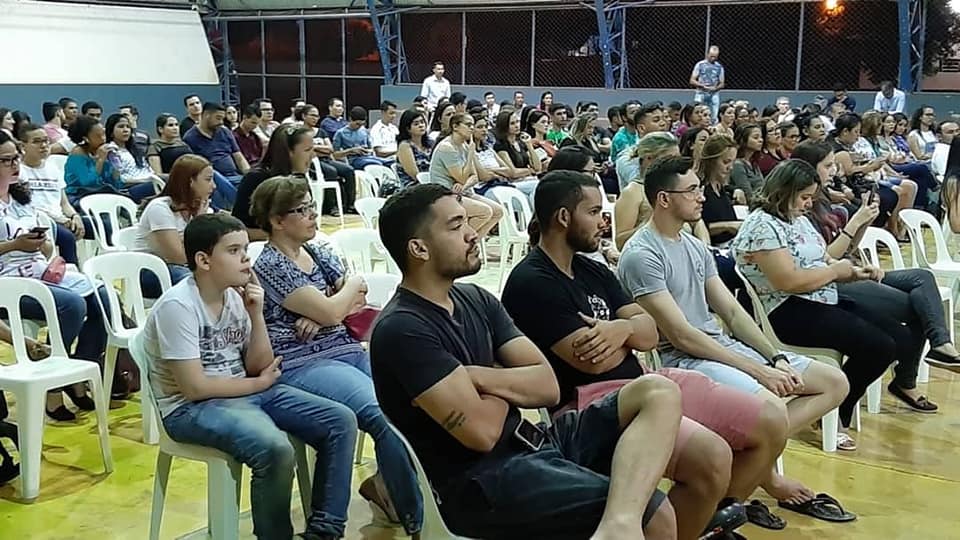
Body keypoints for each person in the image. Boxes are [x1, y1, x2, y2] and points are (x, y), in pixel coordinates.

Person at [503, 170, 802, 539]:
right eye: (594, 212)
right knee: (712, 458)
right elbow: (594, 361)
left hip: (647, 382)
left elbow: (650, 333)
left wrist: (621, 330)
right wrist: (631, 330)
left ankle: (704, 524)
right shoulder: (532, 282)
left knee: (772, 421)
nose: (604, 221)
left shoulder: (591, 269)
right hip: (591, 403)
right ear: (563, 218)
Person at [371, 183, 680, 539]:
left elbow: (547, 386)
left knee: (658, 392)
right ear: (419, 248)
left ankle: (618, 524)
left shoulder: (476, 298)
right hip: (484, 483)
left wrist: (478, 377)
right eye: (456, 226)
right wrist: (510, 377)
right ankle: (622, 523)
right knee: (656, 515)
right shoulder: (403, 329)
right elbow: (483, 434)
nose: (473, 234)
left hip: (533, 443)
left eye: (467, 222)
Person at [622, 155, 853, 516]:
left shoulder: (693, 246)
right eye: (692, 190)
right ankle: (733, 500)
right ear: (664, 199)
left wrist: (774, 356)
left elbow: (730, 311)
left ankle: (751, 468)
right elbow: (682, 335)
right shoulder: (642, 254)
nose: (701, 196)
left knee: (834, 383)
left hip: (719, 348)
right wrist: (758, 370)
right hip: (685, 361)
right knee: (771, 407)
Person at [132, 212, 356, 540]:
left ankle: (325, 530)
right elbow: (194, 388)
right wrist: (258, 383)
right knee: (276, 449)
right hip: (190, 408)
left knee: (340, 421)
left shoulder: (236, 297)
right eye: (234, 250)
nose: (246, 259)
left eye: (245, 250)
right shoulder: (177, 306)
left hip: (244, 390)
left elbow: (258, 364)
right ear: (204, 260)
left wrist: (256, 313)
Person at [248, 176, 424, 535]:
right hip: (302, 360)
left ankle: (389, 487)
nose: (313, 215)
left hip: (343, 346)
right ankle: (416, 516)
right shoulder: (269, 265)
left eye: (312, 206)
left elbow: (357, 295)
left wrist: (325, 310)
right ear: (277, 220)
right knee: (382, 413)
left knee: (413, 397)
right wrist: (332, 305)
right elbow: (339, 303)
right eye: (302, 210)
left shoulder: (317, 252)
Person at [730, 159, 935, 449]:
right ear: (784, 191)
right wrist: (835, 272)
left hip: (818, 296)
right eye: (804, 197)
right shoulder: (762, 225)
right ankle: (836, 408)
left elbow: (823, 258)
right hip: (782, 309)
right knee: (878, 345)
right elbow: (788, 281)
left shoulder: (796, 218)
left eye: (811, 197)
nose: (808, 203)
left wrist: (855, 272)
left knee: (899, 337)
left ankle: (837, 404)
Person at [793, 141, 960, 376]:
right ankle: (909, 378)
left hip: (850, 268)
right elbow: (826, 256)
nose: (834, 170)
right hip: (833, 279)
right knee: (921, 305)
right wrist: (854, 223)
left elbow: (849, 247)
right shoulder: (803, 206)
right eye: (828, 165)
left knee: (922, 278)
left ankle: (940, 346)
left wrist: (865, 221)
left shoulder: (825, 199)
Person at [0, 130, 109, 421]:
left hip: (38, 270)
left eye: (15, 158)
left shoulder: (22, 197)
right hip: (7, 281)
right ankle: (52, 386)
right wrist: (14, 245)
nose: (14, 165)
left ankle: (76, 373)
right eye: (6, 160)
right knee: (72, 304)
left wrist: (42, 243)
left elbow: (48, 245)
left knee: (104, 298)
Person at [133, 154, 215, 298]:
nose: (213, 186)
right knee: (194, 281)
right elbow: (178, 257)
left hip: (185, 266)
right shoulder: (160, 208)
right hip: (148, 270)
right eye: (208, 180)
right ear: (190, 182)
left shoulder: (201, 208)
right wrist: (198, 223)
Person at [17, 124, 96, 265]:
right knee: (67, 237)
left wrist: (75, 216)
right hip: (40, 221)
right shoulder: (19, 172)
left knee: (102, 225)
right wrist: (59, 219)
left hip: (62, 218)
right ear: (23, 146)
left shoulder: (52, 168)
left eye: (46, 140)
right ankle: (69, 270)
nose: (43, 145)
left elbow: (64, 203)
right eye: (37, 142)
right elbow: (26, 206)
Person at [232, 126, 316, 241]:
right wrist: (286, 236)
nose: (313, 155)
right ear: (288, 152)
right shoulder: (256, 179)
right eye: (307, 150)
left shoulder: (299, 177)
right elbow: (238, 229)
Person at [428, 113, 503, 240]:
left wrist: (464, 186)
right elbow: (462, 177)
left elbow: (474, 177)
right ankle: (458, 242)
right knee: (485, 211)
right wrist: (470, 155)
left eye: (473, 125)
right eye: (468, 125)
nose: (472, 128)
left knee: (498, 211)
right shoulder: (447, 147)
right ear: (455, 127)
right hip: (445, 195)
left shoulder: (465, 145)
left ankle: (470, 244)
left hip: (462, 192)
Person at [148, 113, 237, 211]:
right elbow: (158, 174)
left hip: (193, 176)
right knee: (210, 177)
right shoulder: (155, 147)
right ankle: (233, 203)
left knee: (210, 178)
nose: (175, 128)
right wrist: (180, 175)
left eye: (176, 125)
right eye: (170, 125)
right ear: (160, 129)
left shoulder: (183, 144)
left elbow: (195, 161)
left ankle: (217, 209)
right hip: (176, 180)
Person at [64, 116, 156, 207]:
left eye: (104, 134)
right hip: (80, 196)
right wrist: (100, 160)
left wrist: (115, 163)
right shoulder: (78, 152)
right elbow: (88, 183)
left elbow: (116, 184)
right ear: (86, 139)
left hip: (105, 194)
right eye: (99, 136)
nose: (104, 139)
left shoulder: (103, 151)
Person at [614, 132, 680, 249]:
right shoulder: (633, 192)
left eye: (677, 159)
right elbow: (620, 242)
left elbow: (697, 224)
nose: (675, 165)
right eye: (670, 159)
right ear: (649, 158)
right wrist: (652, 223)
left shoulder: (679, 188)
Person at [183, 102, 250, 184]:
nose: (221, 122)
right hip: (212, 180)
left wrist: (248, 174)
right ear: (206, 116)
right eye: (218, 118)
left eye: (223, 119)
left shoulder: (225, 131)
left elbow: (239, 157)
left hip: (235, 176)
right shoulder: (190, 138)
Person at [102, 113, 162, 194]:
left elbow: (148, 171)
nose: (125, 130)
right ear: (111, 132)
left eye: (128, 127)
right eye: (121, 127)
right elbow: (119, 179)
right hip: (129, 189)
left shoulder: (136, 150)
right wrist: (146, 180)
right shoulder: (111, 151)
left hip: (149, 181)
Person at [391, 110, 432, 193]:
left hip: (431, 184)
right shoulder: (405, 146)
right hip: (412, 188)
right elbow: (415, 175)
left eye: (422, 122)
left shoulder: (430, 144)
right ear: (408, 129)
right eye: (416, 124)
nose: (421, 125)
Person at [730, 124, 764, 201]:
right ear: (743, 140)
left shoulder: (753, 163)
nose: (761, 140)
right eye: (755, 137)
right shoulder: (737, 165)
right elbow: (748, 194)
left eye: (761, 137)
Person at [690, 46, 725, 122]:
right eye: (711, 56)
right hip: (701, 92)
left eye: (715, 57)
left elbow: (722, 83)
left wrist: (715, 88)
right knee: (698, 115)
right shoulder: (700, 65)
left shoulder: (719, 67)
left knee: (713, 117)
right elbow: (692, 80)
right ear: (707, 54)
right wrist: (702, 86)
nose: (713, 58)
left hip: (714, 93)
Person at [233, 104, 264, 168]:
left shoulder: (255, 137)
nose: (255, 126)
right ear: (244, 117)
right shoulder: (233, 137)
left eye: (257, 124)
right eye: (253, 122)